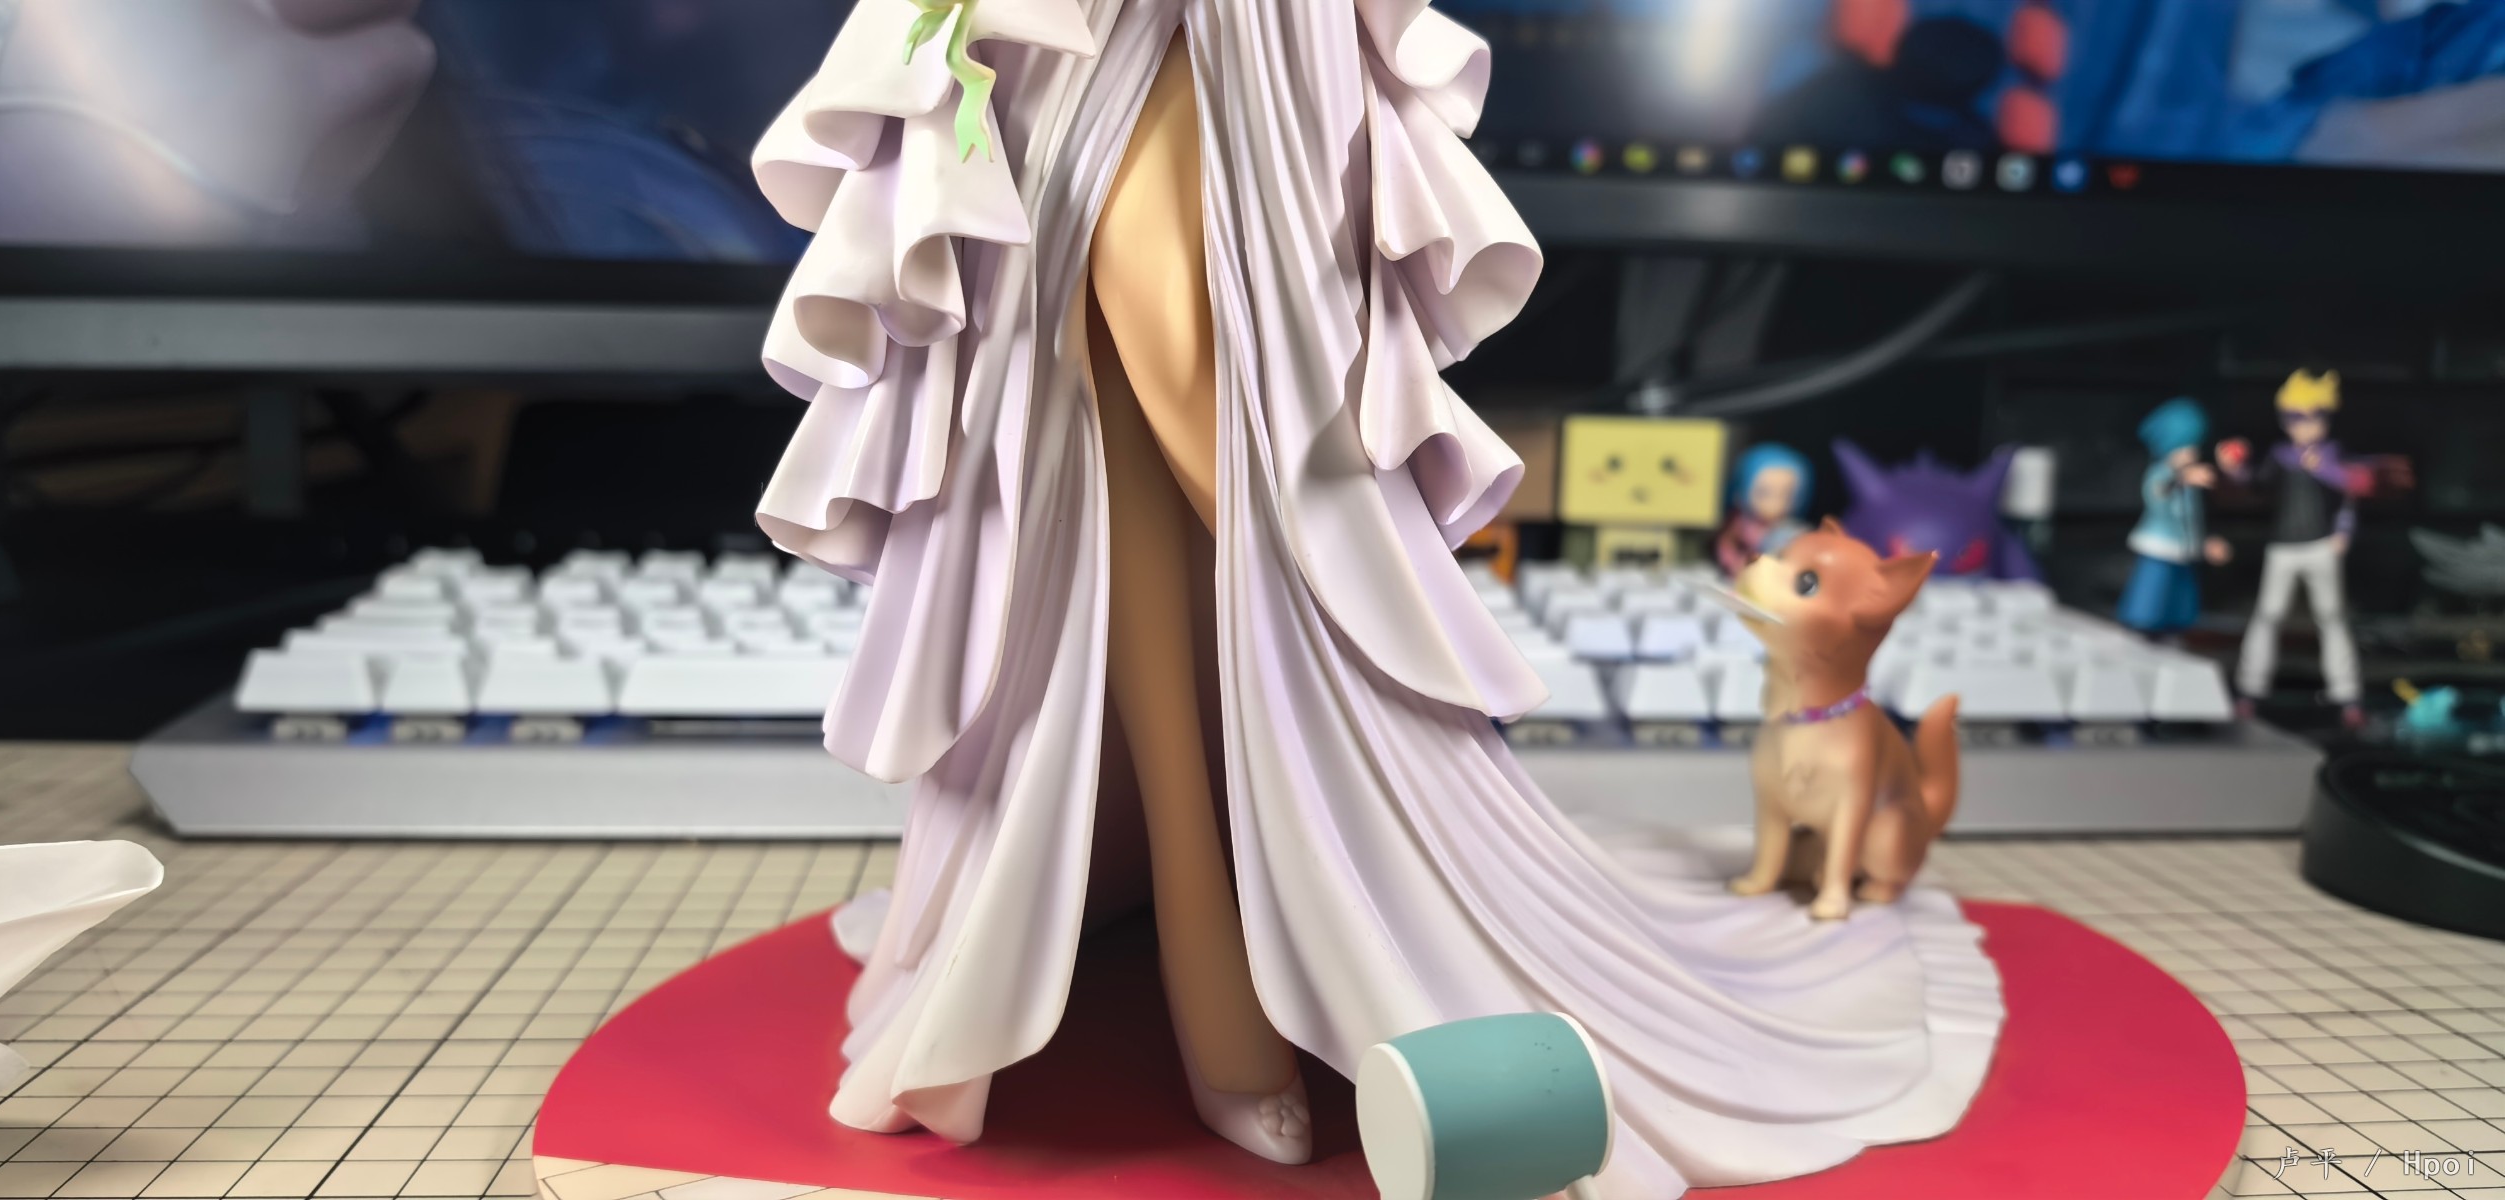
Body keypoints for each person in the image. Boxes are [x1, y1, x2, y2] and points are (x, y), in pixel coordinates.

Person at [749, 2, 2000, 1193]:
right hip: (1041, 48)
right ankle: (1204, 936)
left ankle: (1243, 906)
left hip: (1243, 43)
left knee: (1205, 370)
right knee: (1081, 433)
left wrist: (1336, 560)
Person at [2218, 370, 2366, 726]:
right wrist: (2235, 468)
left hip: (2322, 545)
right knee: (2267, 616)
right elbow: (2257, 484)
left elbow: (2351, 491)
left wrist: (2343, 529)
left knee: (2332, 619)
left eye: (2314, 417)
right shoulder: (2281, 455)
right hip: (2283, 547)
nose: (2304, 425)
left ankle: (2348, 697)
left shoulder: (2332, 454)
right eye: (2295, 417)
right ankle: (2249, 691)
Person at [2118, 399, 2231, 639]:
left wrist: (2204, 542)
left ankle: (2173, 628)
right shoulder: (2161, 474)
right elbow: (2158, 493)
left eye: (2193, 446)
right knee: (2151, 594)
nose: (2192, 452)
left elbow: (2191, 519)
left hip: (2184, 549)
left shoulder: (2190, 480)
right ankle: (2142, 628)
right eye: (2185, 447)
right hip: (2159, 547)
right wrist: (2182, 478)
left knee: (2179, 599)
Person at [1715, 443, 1813, 577]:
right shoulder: (1741, 524)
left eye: (1786, 495)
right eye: (1764, 493)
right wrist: (1733, 563)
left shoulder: (1791, 530)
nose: (1775, 504)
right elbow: (1727, 544)